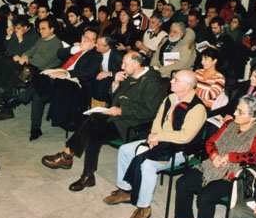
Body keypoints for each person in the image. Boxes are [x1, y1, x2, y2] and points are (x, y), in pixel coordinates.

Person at [41, 52, 165, 192]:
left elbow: (149, 112)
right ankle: (86, 175)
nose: (122, 67)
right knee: (93, 126)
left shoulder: (152, 82)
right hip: (120, 119)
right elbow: (115, 98)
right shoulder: (130, 76)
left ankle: (68, 155)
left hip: (134, 125)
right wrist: (116, 83)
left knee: (94, 123)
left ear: (136, 64)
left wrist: (121, 111)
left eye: (125, 64)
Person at [103, 70, 206, 218]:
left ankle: (144, 207)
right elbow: (158, 119)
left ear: (187, 86)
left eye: (175, 80)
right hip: (159, 140)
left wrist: (159, 137)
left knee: (148, 165)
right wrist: (154, 136)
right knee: (125, 150)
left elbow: (186, 136)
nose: (171, 82)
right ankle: (125, 190)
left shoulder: (197, 108)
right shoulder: (170, 98)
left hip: (180, 150)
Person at [171, 96, 256, 218]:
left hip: (234, 175)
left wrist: (230, 157)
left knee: (205, 197)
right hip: (213, 165)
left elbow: (255, 157)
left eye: (240, 112)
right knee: (183, 183)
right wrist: (215, 156)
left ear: (253, 118)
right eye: (237, 109)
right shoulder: (229, 124)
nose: (235, 113)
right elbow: (211, 142)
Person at [0, 17, 64, 123]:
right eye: (39, 29)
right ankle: (1, 98)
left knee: (10, 72)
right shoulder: (41, 39)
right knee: (5, 66)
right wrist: (24, 56)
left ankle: (5, 104)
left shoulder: (56, 44)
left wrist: (25, 59)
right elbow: (30, 51)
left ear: (52, 29)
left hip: (41, 71)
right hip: (32, 65)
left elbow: (42, 62)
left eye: (43, 29)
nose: (40, 31)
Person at [211, 62, 256, 133]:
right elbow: (233, 103)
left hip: (251, 126)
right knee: (211, 124)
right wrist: (229, 114)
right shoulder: (246, 86)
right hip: (235, 117)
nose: (251, 79)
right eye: (252, 75)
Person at [91, 35, 125, 103]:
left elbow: (125, 72)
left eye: (99, 44)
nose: (96, 45)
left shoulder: (119, 57)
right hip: (99, 72)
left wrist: (110, 73)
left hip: (112, 76)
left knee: (100, 91)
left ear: (107, 47)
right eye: (96, 43)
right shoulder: (95, 50)